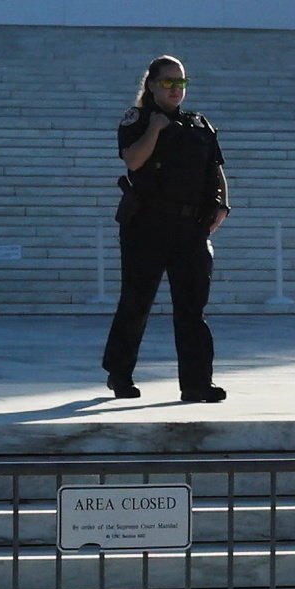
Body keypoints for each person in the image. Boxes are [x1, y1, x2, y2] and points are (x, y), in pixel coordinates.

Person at [105, 55, 228, 404]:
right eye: (168, 82)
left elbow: (216, 169)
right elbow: (133, 160)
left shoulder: (199, 124)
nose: (176, 89)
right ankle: (120, 374)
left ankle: (197, 383)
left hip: (191, 227)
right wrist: (155, 129)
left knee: (192, 308)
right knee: (137, 301)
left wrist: (222, 204)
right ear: (152, 85)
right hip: (147, 225)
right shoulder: (138, 119)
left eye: (181, 82)